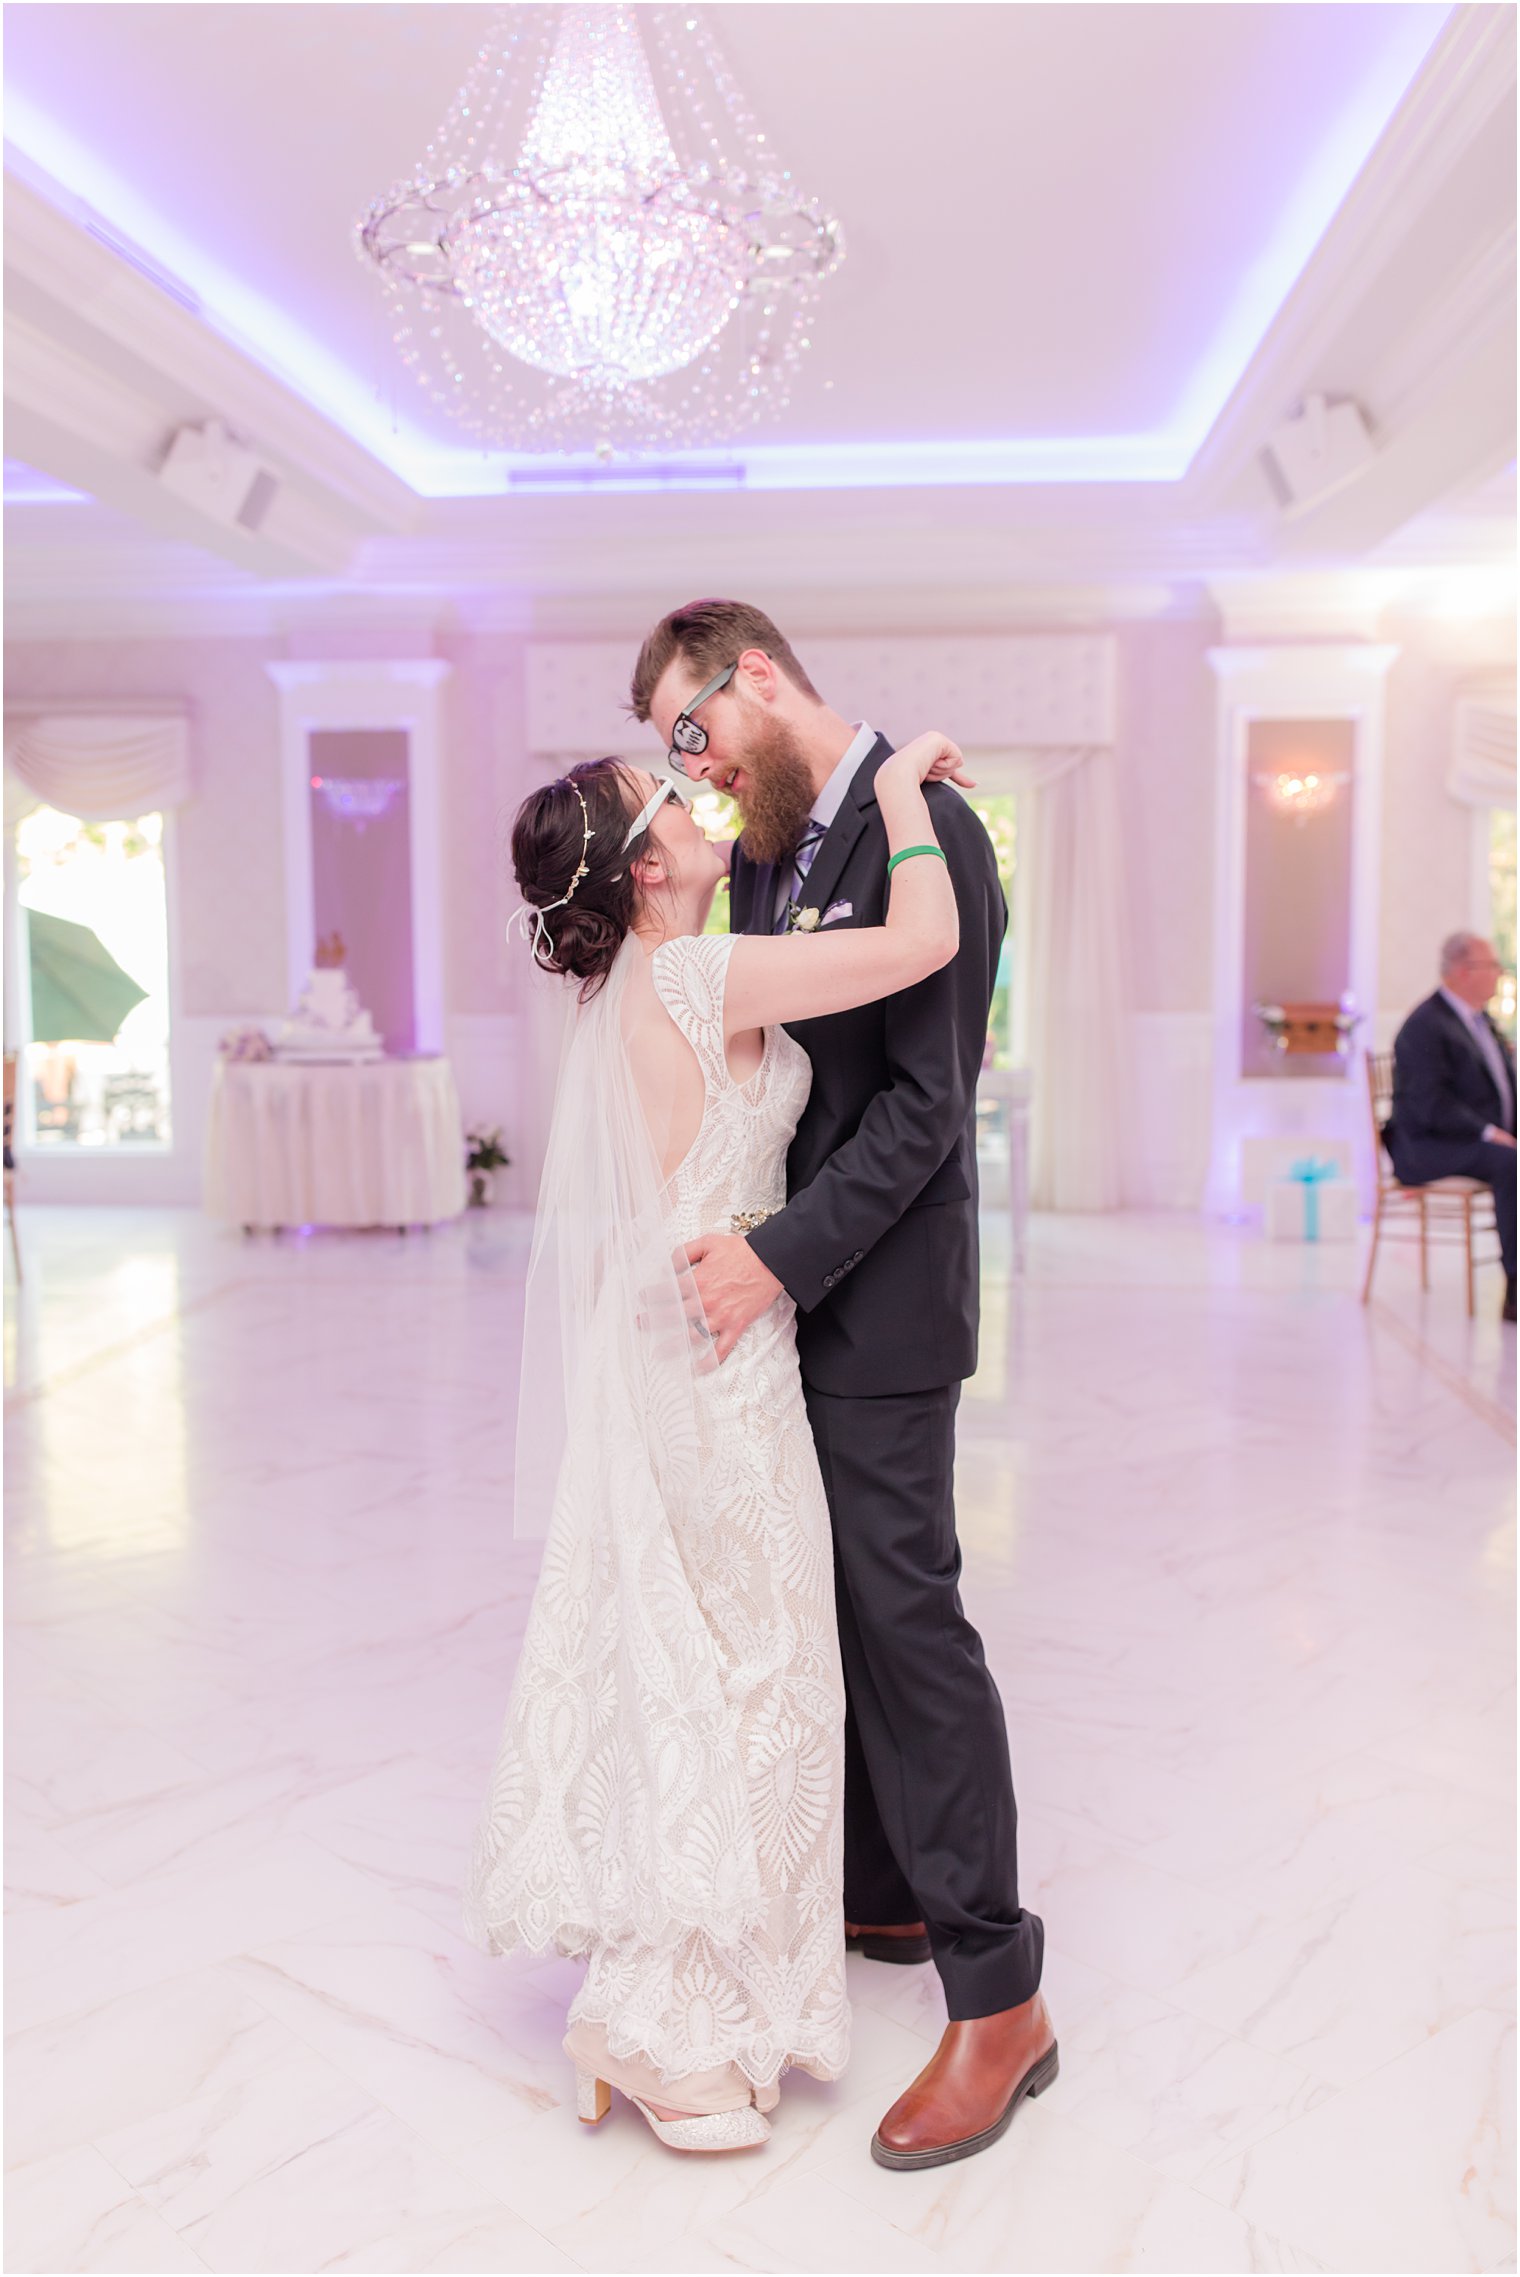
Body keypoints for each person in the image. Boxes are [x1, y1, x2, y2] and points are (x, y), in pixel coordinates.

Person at [464, 729, 998, 2155]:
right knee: (754, 1676)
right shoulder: (698, 974)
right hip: (720, 1371)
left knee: (703, 1666)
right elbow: (929, 933)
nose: (705, 808)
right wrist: (900, 790)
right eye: (674, 806)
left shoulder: (639, 983)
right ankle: (655, 2024)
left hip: (685, 1357)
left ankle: (673, 1985)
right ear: (647, 868)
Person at [629, 599, 1055, 2172]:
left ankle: (999, 1996)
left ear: (752, 677)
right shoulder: (761, 854)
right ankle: (882, 1886)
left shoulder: (929, 823)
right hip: (788, 1311)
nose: (700, 771)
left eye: (697, 730)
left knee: (906, 1609)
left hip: (877, 1313)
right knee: (823, 1599)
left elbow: (928, 1106)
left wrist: (776, 1257)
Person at [1386, 930, 1517, 1322]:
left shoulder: (1480, 1021)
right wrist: (1491, 1133)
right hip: (1427, 1147)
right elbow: (1431, 1105)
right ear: (1462, 971)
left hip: (1473, 1137)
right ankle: (1516, 1287)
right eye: (1490, 965)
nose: (1498, 973)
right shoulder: (1425, 1026)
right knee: (1510, 1165)